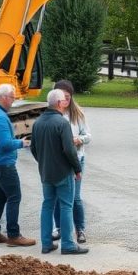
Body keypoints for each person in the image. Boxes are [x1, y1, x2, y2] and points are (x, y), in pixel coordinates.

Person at [30, 89, 87, 255]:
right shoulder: (62, 123)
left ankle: (46, 243)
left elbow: (33, 148)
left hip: (46, 173)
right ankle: (68, 245)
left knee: (47, 205)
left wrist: (43, 162)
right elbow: (69, 150)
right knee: (66, 206)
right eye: (64, 101)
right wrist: (77, 169)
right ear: (59, 103)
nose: (66, 103)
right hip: (63, 173)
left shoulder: (38, 123)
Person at [0, 84, 36, 248]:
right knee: (14, 196)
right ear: (4, 97)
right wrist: (22, 143)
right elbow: (5, 144)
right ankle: (13, 235)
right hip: (3, 163)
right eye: (12, 97)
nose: (14, 100)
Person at [51, 79, 91, 245]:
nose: (65, 101)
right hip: (59, 161)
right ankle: (59, 227)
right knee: (58, 197)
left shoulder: (77, 115)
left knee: (75, 197)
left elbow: (88, 136)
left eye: (68, 97)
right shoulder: (53, 114)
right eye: (62, 97)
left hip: (76, 159)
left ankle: (80, 229)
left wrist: (78, 140)